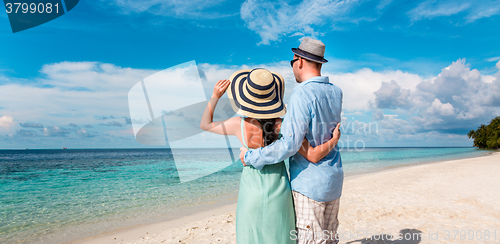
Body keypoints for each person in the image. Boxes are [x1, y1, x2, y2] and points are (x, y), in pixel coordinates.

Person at [200, 68, 340, 244]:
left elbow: (205, 124)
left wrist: (215, 96)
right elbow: (311, 154)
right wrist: (334, 139)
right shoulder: (282, 125)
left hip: (250, 195)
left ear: (246, 98)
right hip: (279, 192)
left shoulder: (238, 124)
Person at [240, 38, 343, 244]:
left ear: (300, 60)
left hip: (309, 184)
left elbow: (289, 144)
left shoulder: (302, 93)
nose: (293, 67)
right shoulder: (336, 92)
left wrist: (252, 156)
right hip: (334, 179)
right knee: (330, 239)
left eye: (292, 61)